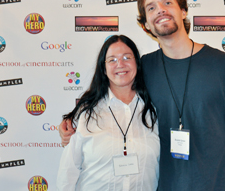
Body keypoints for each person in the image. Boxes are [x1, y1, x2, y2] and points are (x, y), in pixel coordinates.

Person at [59, 0, 225, 190]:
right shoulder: (143, 68)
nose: (160, 10)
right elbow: (109, 93)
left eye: (167, 2)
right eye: (151, 7)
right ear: (145, 23)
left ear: (183, 11)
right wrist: (71, 121)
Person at [56, 35, 159, 190]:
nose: (120, 64)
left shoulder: (153, 110)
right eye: (112, 60)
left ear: (137, 63)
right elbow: (68, 172)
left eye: (127, 57)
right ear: (103, 69)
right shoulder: (86, 113)